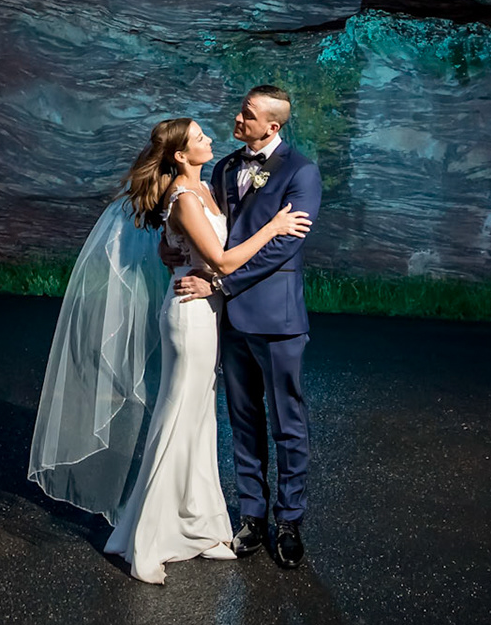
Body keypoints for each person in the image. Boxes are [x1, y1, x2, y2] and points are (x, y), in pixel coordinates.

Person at [28, 116, 309, 585]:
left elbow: (182, 245)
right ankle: (147, 539)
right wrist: (277, 225)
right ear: (181, 155)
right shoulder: (184, 196)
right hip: (190, 318)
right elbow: (220, 260)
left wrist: (169, 249)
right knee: (177, 419)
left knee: (199, 422)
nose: (209, 140)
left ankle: (198, 527)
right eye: (199, 138)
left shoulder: (204, 188)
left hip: (210, 313)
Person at [171, 84, 322, 569]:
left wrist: (219, 286)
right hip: (231, 322)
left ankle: (289, 521)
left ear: (272, 127)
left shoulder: (302, 172)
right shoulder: (226, 167)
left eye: (247, 115)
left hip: (276, 319)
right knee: (243, 420)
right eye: (240, 111)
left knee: (287, 422)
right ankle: (253, 517)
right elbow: (213, 231)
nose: (237, 120)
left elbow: (284, 246)